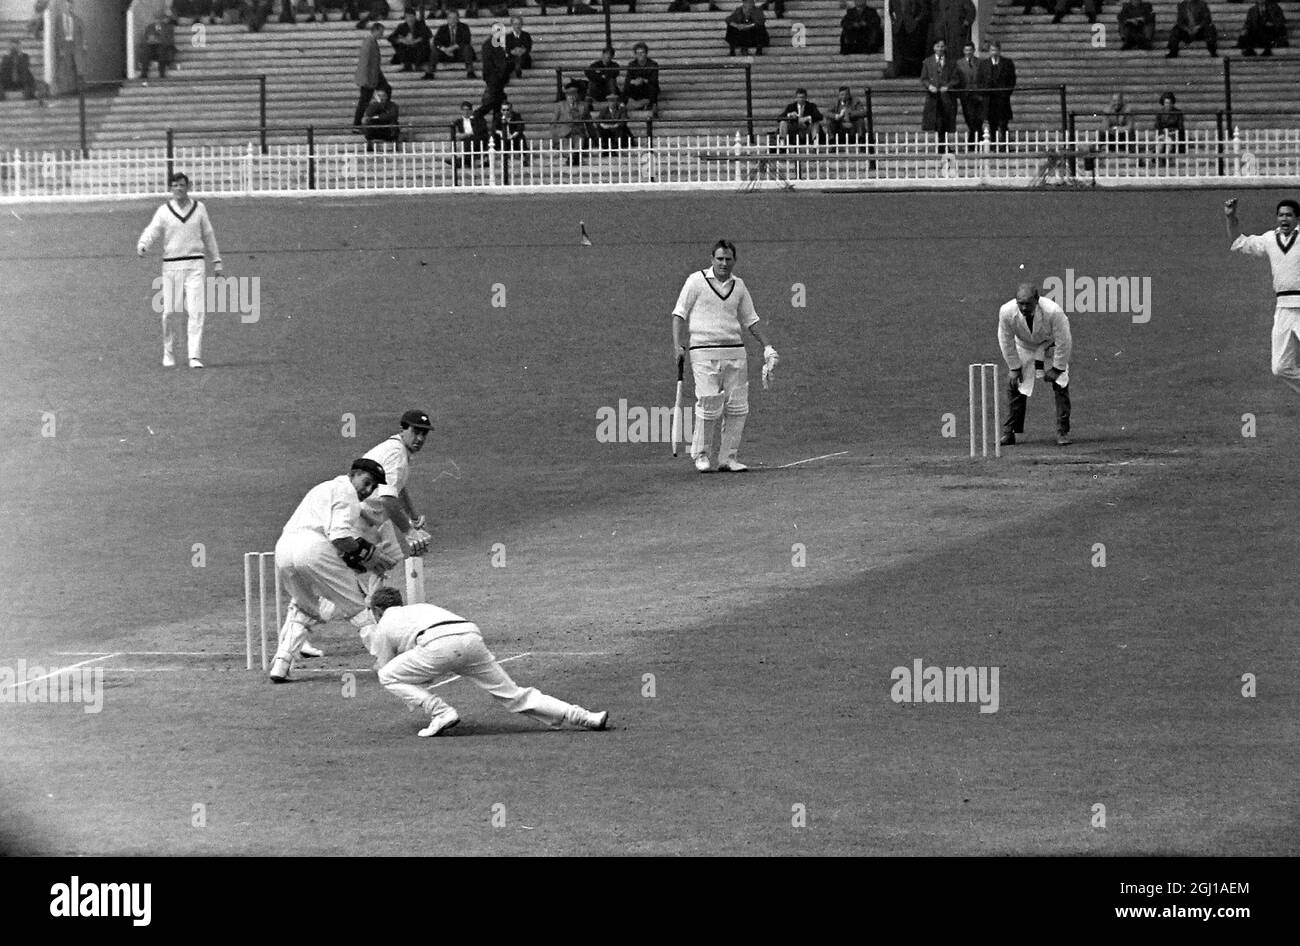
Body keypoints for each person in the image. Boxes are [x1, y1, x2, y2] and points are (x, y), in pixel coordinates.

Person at [363, 587, 609, 738]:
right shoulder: (421, 608)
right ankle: (586, 717)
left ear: (377, 610)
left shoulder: (384, 623)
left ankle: (441, 712)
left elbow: (385, 668)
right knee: (515, 695)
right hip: (470, 637)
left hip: (437, 644)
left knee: (387, 676)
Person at [266, 458, 393, 683]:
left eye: (373, 486)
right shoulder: (349, 495)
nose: (368, 490)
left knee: (304, 606)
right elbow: (340, 537)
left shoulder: (323, 487)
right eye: (366, 482)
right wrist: (370, 555)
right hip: (313, 549)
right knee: (358, 606)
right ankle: (390, 663)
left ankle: (281, 662)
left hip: (284, 550)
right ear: (353, 474)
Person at [671, 240, 779, 473]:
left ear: (734, 260)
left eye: (728, 259)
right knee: (709, 401)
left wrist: (767, 346)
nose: (723, 263)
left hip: (735, 351)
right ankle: (701, 454)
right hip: (702, 351)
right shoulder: (696, 281)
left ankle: (728, 458)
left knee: (738, 406)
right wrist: (677, 344)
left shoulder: (738, 286)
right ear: (712, 259)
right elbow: (679, 314)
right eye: (719, 258)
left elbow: (751, 319)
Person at [136, 172, 223, 369]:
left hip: (195, 265)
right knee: (170, 312)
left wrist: (217, 261)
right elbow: (153, 230)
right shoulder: (164, 211)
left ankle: (194, 356)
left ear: (188, 186)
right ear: (170, 188)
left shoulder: (199, 208)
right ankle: (168, 352)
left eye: (182, 185)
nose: (179, 188)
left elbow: (208, 235)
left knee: (196, 311)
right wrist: (143, 244)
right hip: (172, 266)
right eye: (175, 185)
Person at [1225, 198, 1300, 395]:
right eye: (1281, 215)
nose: (1284, 219)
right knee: (1280, 367)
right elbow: (1239, 242)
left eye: (1289, 215)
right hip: (1283, 309)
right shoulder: (1269, 239)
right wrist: (1231, 217)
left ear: (1297, 218)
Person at [997, 283, 1073, 447]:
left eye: (1028, 303)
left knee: (1061, 384)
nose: (1024, 307)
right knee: (1015, 385)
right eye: (1020, 303)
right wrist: (1014, 367)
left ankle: (1062, 431)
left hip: (1048, 345)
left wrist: (1057, 368)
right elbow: (1005, 339)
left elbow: (1064, 340)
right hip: (1024, 346)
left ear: (1037, 300)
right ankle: (1009, 432)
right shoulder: (1006, 311)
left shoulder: (1053, 311)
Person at [354, 21, 391, 129]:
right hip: (369, 76)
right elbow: (364, 62)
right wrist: (365, 79)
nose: (382, 35)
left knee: (386, 89)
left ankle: (381, 114)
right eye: (381, 32)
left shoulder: (371, 41)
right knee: (364, 101)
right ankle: (357, 124)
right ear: (375, 30)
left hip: (374, 74)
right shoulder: (369, 42)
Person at [920, 39, 960, 137]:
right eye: (938, 46)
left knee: (946, 121)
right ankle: (940, 144)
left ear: (945, 47)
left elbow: (956, 79)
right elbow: (924, 78)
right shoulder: (927, 62)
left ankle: (944, 144)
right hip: (933, 97)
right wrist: (929, 86)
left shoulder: (951, 62)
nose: (940, 49)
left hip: (947, 97)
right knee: (937, 122)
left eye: (942, 46)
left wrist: (947, 86)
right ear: (934, 48)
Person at [424, 10, 476, 78]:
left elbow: (466, 40)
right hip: (445, 54)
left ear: (458, 19)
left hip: (459, 54)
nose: (452, 20)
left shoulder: (464, 27)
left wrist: (453, 47)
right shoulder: (442, 28)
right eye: (450, 18)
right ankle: (430, 72)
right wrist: (444, 49)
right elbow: (436, 42)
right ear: (447, 19)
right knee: (435, 48)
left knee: (467, 47)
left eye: (455, 18)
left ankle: (470, 71)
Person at [955, 40, 987, 147]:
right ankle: (976, 141)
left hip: (978, 95)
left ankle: (973, 143)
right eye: (966, 50)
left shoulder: (980, 62)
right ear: (963, 51)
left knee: (978, 119)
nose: (968, 52)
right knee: (970, 118)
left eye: (970, 50)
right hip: (966, 96)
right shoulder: (959, 63)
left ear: (973, 50)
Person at [888, 0, 930, 78]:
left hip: (912, 26)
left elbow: (923, 8)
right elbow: (890, 10)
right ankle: (902, 71)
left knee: (912, 50)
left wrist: (916, 20)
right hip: (898, 26)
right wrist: (894, 22)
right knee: (900, 49)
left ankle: (914, 72)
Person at [984, 41, 1015, 142]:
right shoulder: (984, 64)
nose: (994, 52)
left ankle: (1004, 144)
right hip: (990, 99)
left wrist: (1006, 93)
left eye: (996, 50)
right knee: (992, 124)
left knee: (1003, 123)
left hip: (1002, 99)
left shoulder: (1007, 63)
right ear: (989, 51)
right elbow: (980, 80)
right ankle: (993, 144)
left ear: (999, 50)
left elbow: (1012, 79)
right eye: (992, 50)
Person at [552, 83, 591, 163]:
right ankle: (572, 157)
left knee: (580, 141)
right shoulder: (559, 105)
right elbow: (553, 123)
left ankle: (573, 157)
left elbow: (589, 123)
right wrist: (555, 137)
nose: (571, 98)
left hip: (578, 132)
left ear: (577, 96)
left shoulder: (583, 106)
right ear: (566, 96)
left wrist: (593, 136)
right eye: (569, 96)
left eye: (573, 95)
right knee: (565, 143)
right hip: (564, 133)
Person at [54, 0, 85, 96]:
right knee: (67, 67)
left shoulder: (76, 19)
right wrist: (60, 48)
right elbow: (57, 35)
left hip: (75, 44)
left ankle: (79, 87)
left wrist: (83, 44)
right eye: (67, 6)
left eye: (70, 6)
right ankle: (70, 88)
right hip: (65, 45)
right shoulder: (58, 19)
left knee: (78, 65)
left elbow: (82, 32)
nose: (69, 8)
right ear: (63, 6)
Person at [623, 42, 660, 117]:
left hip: (647, 88)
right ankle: (622, 108)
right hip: (637, 89)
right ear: (635, 54)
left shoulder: (653, 64)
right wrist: (634, 81)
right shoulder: (632, 64)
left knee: (652, 86)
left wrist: (643, 80)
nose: (640, 54)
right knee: (627, 87)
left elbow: (654, 79)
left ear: (646, 53)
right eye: (638, 53)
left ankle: (653, 107)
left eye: (642, 52)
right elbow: (628, 79)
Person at [450, 99, 489, 165]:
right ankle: (468, 160)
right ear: (461, 111)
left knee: (473, 139)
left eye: (468, 109)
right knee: (467, 141)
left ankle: (462, 161)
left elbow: (479, 132)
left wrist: (467, 135)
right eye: (464, 110)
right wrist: (467, 135)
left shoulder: (478, 120)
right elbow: (456, 135)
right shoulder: (458, 122)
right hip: (466, 142)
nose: (466, 112)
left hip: (477, 141)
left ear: (471, 110)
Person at [140, 13, 176, 80]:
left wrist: (159, 41)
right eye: (156, 19)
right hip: (152, 48)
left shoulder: (168, 28)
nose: (157, 21)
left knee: (162, 50)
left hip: (164, 48)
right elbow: (145, 39)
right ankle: (144, 73)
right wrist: (150, 41)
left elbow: (171, 41)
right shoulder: (149, 27)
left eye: (159, 19)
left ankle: (162, 73)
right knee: (146, 50)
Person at [1152, 91, 1184, 166]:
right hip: (1163, 133)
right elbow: (1157, 126)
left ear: (1172, 103)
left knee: (1168, 141)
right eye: (1166, 103)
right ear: (1163, 103)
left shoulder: (1178, 112)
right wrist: (1162, 133)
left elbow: (1180, 127)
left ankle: (1166, 158)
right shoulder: (1160, 113)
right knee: (1160, 141)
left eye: (1169, 103)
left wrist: (1170, 132)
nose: (1168, 105)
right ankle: (1157, 159)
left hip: (1174, 134)